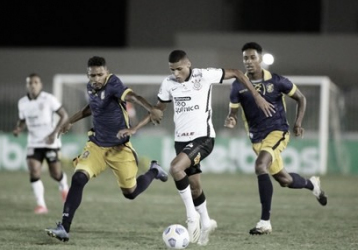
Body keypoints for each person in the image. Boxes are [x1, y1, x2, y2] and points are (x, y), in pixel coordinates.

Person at [117, 50, 274, 246]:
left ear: (188, 64)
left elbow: (236, 72)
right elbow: (159, 109)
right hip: (181, 141)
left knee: (175, 168)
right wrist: (135, 128)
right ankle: (206, 222)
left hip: (203, 138)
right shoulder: (168, 84)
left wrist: (257, 96)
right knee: (195, 187)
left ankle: (192, 217)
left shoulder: (204, 75)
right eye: (172, 70)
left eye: (179, 69)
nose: (176, 74)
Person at [45, 56, 168, 242]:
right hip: (96, 145)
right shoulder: (90, 87)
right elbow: (90, 108)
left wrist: (151, 108)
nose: (96, 79)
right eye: (92, 75)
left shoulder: (113, 83)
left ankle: (153, 171)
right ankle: (64, 227)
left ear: (106, 72)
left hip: (120, 148)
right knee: (78, 178)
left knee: (131, 193)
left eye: (99, 74)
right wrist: (69, 121)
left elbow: (132, 96)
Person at [224, 42, 328, 235]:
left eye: (252, 57)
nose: (248, 61)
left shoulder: (277, 81)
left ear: (260, 59)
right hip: (257, 139)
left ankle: (265, 222)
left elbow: (301, 98)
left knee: (260, 166)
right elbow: (233, 111)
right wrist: (231, 118)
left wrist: (297, 123)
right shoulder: (238, 85)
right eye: (245, 58)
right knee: (285, 180)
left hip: (278, 131)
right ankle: (312, 184)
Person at [13, 73, 70, 214]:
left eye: (36, 82)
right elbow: (22, 119)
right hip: (34, 142)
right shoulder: (22, 102)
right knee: (34, 170)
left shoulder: (49, 99)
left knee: (55, 173)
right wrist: (19, 128)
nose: (33, 85)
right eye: (30, 82)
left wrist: (53, 133)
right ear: (27, 85)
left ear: (40, 84)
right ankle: (41, 205)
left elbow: (64, 115)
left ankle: (63, 185)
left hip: (50, 142)